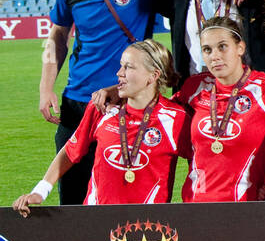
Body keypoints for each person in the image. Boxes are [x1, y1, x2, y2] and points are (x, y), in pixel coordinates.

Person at [40, 0, 235, 206]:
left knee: (129, 194)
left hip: (128, 103)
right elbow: (57, 35)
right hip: (78, 102)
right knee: (73, 200)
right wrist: (45, 88)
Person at [14, 40, 188, 213]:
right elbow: (71, 150)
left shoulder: (176, 118)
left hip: (147, 225)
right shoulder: (102, 108)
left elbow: (201, 159)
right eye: (121, 66)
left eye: (128, 67)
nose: (119, 73)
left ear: (153, 75)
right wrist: (40, 190)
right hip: (97, 221)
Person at [174, 17, 265, 202]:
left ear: (240, 48)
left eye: (222, 46)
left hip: (246, 208)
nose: (215, 56)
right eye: (207, 49)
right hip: (195, 205)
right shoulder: (194, 88)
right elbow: (158, 109)